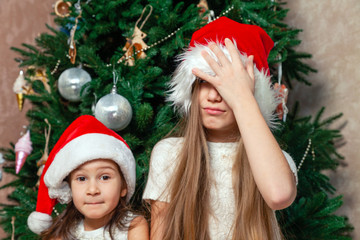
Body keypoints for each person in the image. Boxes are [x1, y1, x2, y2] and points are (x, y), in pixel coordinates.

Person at [143, 16, 298, 240]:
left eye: (227, 87)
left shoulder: (274, 161)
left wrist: (242, 99)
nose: (215, 95)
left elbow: (279, 195)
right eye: (206, 81)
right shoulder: (169, 153)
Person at [27, 115, 149, 240]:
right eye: (81, 179)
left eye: (105, 177)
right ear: (70, 188)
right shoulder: (63, 233)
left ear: (124, 186)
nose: (92, 190)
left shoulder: (133, 226)